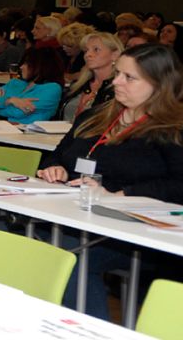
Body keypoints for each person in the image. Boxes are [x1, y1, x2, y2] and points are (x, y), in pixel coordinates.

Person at [36, 44, 183, 319]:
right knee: (4, 231)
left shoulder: (173, 129)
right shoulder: (96, 116)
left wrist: (119, 193)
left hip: (134, 232)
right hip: (71, 216)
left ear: (160, 83)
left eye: (129, 77)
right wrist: (55, 169)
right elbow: (55, 156)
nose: (116, 81)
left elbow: (179, 186)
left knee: (68, 258)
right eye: (117, 73)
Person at [0, 46, 66, 124]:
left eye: (26, 63)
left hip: (25, 134)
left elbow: (19, 112)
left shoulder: (52, 88)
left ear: (40, 65)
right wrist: (9, 100)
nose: (21, 67)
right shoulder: (15, 83)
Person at [60, 32, 123, 122]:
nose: (87, 55)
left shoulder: (120, 88)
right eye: (86, 50)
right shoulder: (78, 85)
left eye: (96, 50)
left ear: (114, 55)